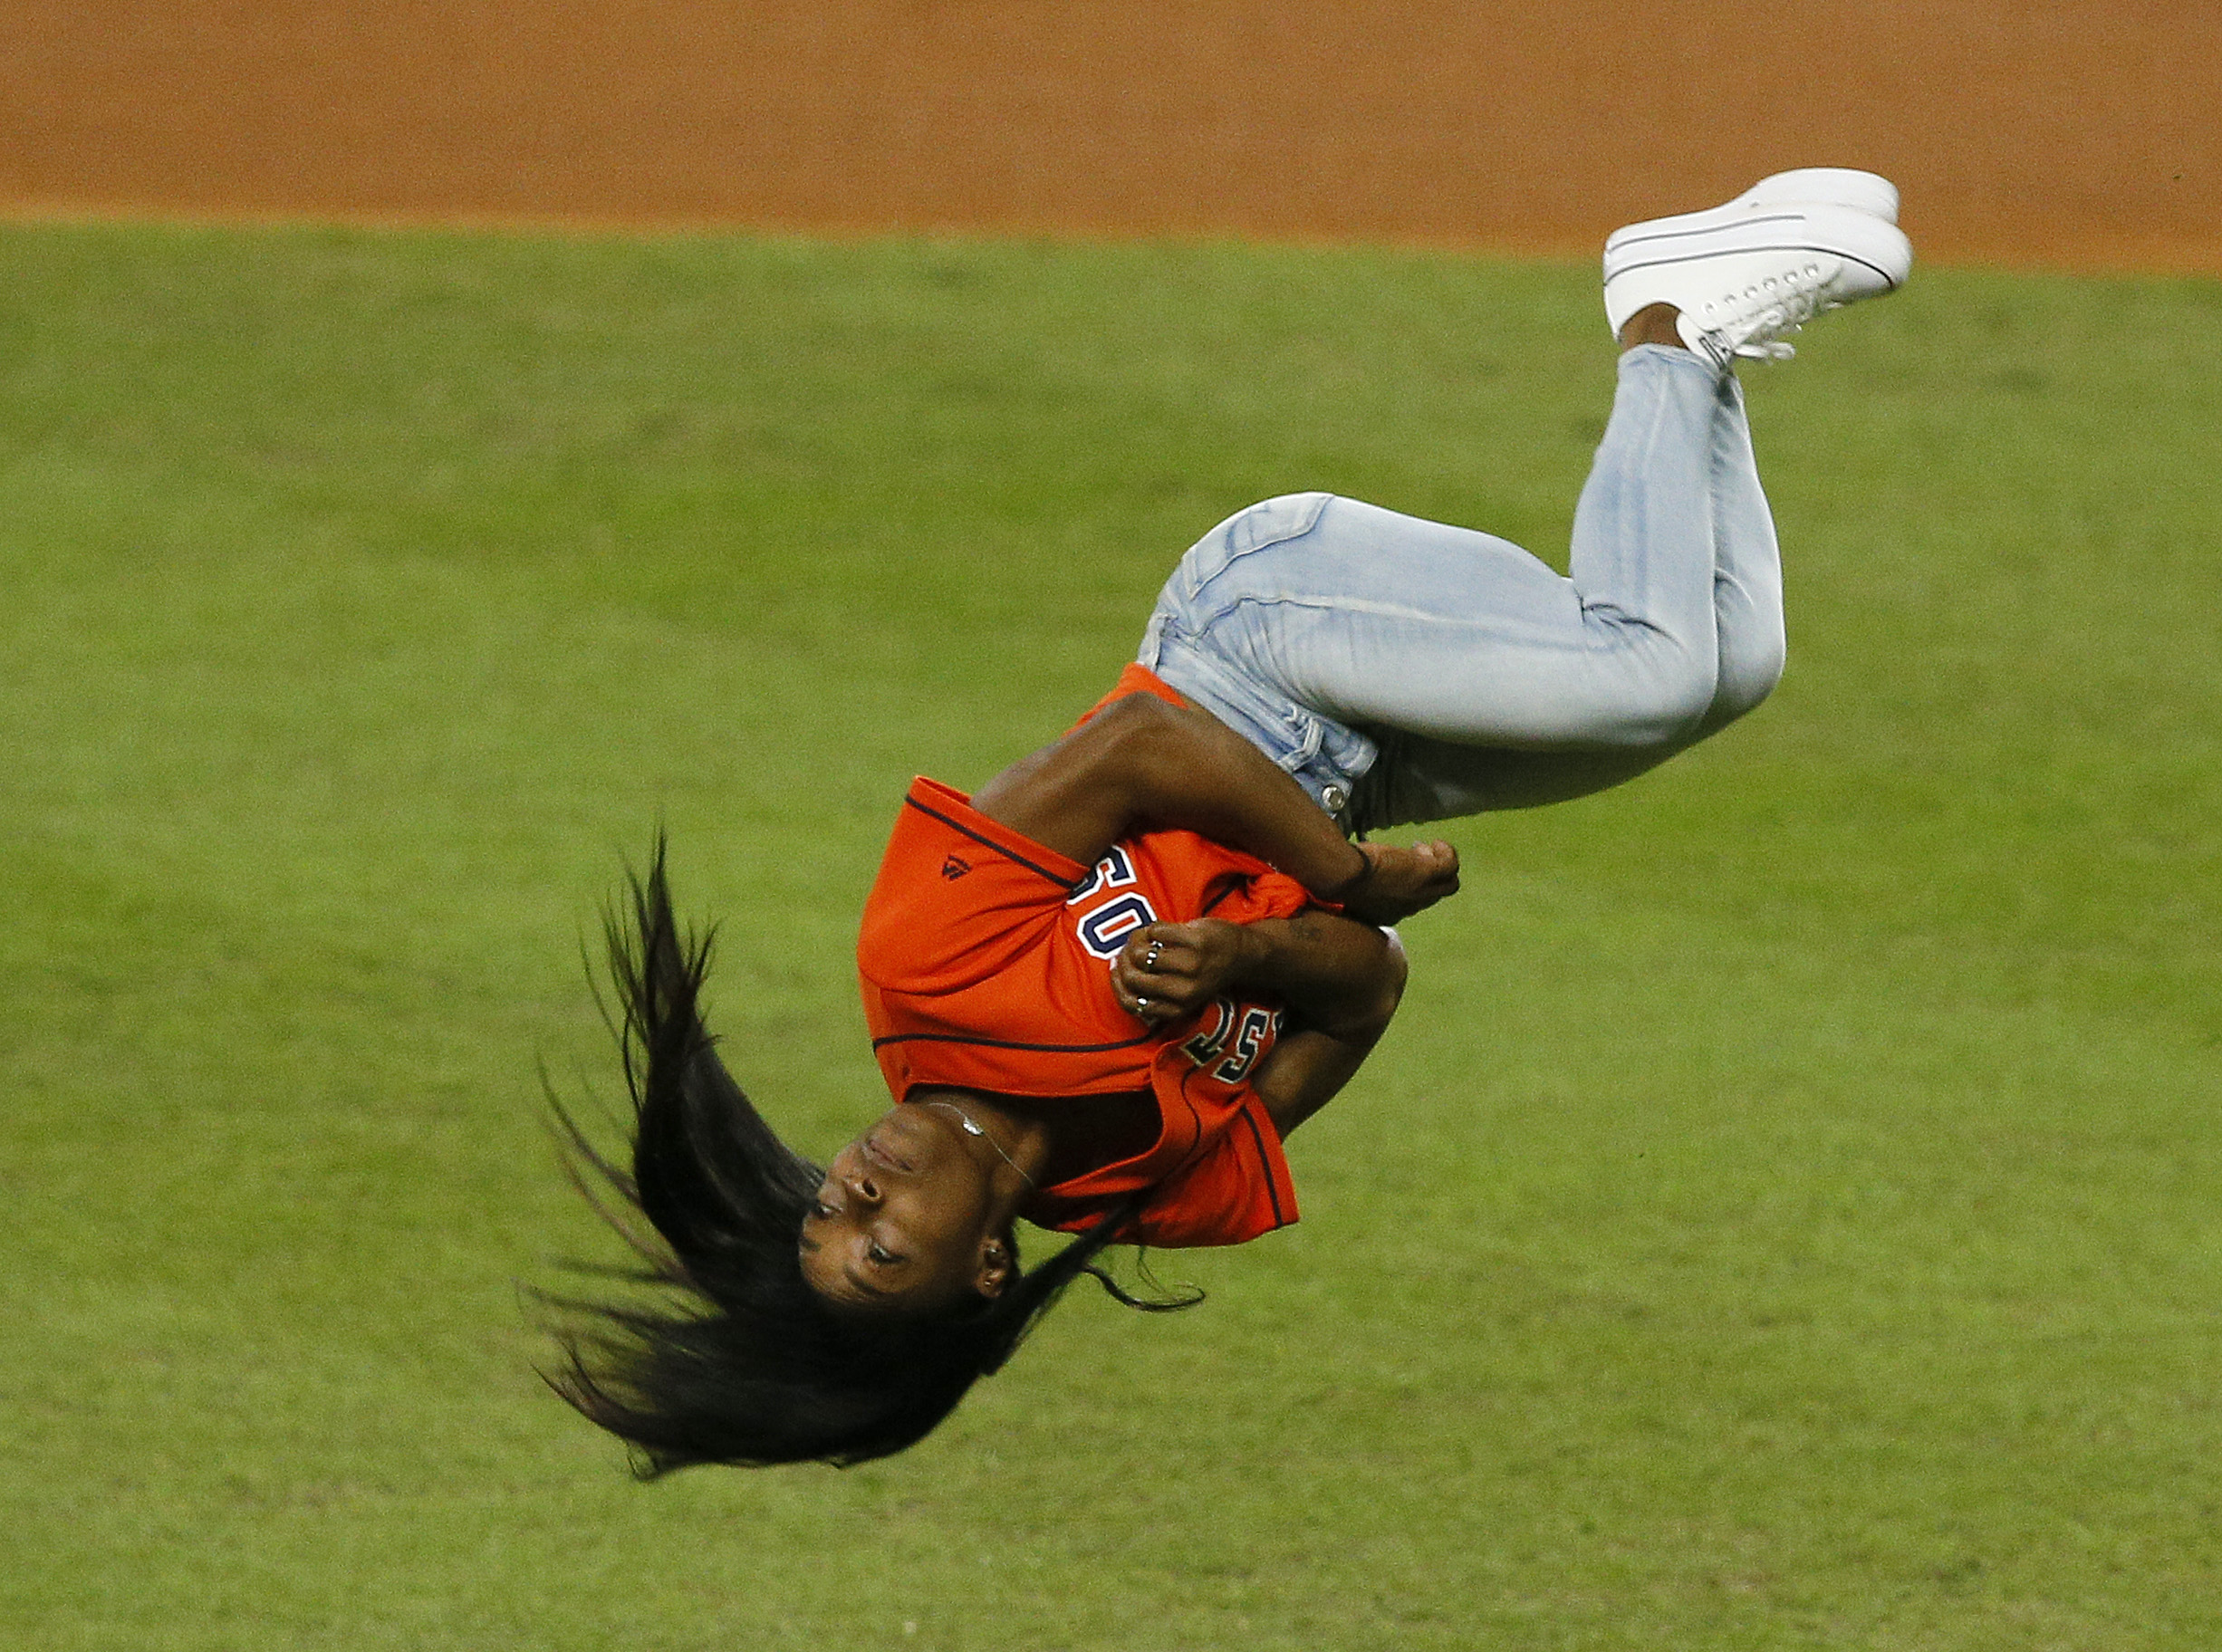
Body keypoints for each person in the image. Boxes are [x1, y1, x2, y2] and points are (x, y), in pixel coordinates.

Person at [543, 170, 1913, 1474]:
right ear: (985, 1270)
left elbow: (1141, 745)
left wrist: (1337, 874)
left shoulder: (927, 971)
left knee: (1643, 670)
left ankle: (1663, 311)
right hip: (1360, 772)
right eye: (883, 1245)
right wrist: (1254, 959)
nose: (855, 1191)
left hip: (1256, 639)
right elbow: (1368, 993)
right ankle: (1714, 334)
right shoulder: (1171, 1190)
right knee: (1725, 671)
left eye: (829, 1215)